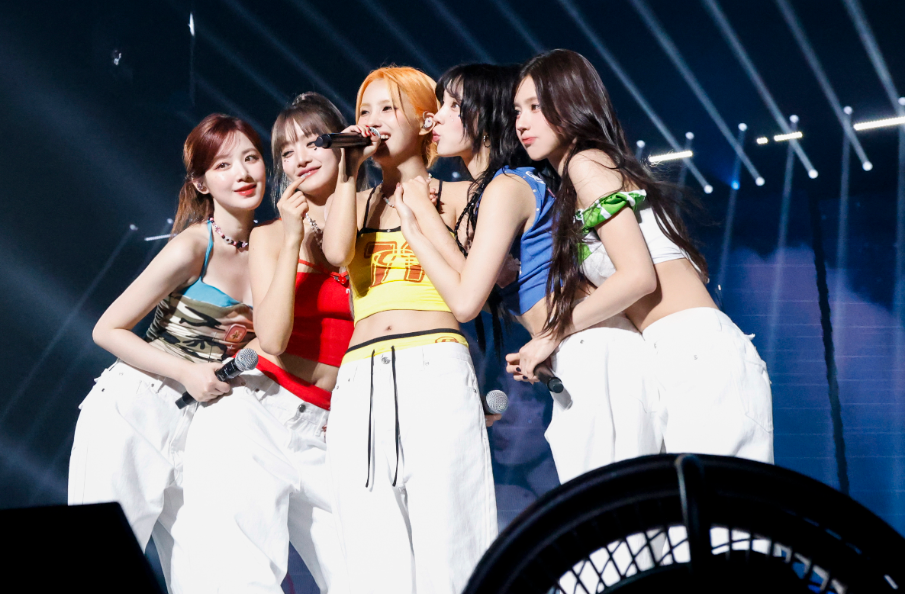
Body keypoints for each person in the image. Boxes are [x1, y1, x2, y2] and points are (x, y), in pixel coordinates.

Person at [393, 63, 658, 484]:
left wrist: (417, 225)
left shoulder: (507, 187)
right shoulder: (502, 187)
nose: (436, 117)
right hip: (579, 351)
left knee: (612, 505)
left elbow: (465, 302)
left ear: (485, 116)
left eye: (453, 106)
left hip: (595, 348)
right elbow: (471, 278)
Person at [508, 49, 773, 463]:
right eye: (517, 110)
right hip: (670, 357)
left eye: (536, 107)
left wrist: (550, 336)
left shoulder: (586, 163)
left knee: (718, 504)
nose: (522, 122)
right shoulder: (583, 182)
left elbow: (638, 277)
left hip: (696, 352)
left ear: (571, 102)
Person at [68, 113, 265, 593]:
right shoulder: (194, 245)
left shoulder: (273, 247)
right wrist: (187, 371)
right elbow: (107, 329)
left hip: (205, 427)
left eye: (251, 158)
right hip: (135, 409)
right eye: (223, 165)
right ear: (201, 182)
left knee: (214, 578)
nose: (242, 173)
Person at [321, 66, 498, 594]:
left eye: (387, 108)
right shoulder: (355, 201)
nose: (372, 120)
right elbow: (336, 252)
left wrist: (422, 208)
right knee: (371, 546)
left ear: (425, 120)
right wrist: (348, 173)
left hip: (434, 361)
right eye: (364, 110)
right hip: (361, 374)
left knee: (452, 536)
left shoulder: (459, 195)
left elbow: (471, 286)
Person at [181, 93, 352, 593]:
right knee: (241, 579)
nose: (301, 158)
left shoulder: (377, 220)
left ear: (342, 144)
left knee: (367, 575)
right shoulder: (272, 236)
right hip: (258, 410)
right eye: (286, 151)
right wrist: (294, 236)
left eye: (314, 142)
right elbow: (273, 338)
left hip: (331, 429)